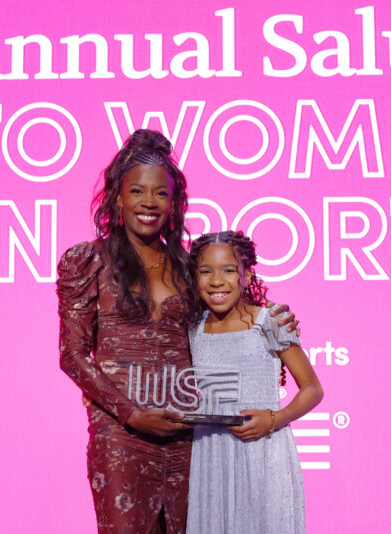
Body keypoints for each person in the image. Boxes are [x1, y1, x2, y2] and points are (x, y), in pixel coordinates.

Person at [56, 130, 297, 534]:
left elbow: (226, 323)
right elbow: (73, 354)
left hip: (191, 434)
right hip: (122, 435)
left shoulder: (190, 267)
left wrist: (272, 321)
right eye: (137, 191)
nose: (148, 203)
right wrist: (131, 414)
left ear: (174, 203)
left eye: (160, 195)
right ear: (118, 197)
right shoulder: (88, 261)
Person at [185, 230, 323, 534]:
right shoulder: (192, 329)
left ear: (246, 275)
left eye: (229, 270)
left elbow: (313, 389)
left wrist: (274, 418)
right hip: (210, 455)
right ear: (195, 278)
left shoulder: (269, 321)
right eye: (206, 271)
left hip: (263, 451)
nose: (217, 280)